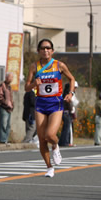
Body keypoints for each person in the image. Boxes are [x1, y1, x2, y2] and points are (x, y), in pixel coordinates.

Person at [24, 38, 75, 178]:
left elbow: (71, 79)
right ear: (38, 51)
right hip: (40, 104)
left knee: (50, 135)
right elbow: (26, 87)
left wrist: (70, 93)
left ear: (52, 51)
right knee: (42, 139)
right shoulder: (34, 67)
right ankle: (49, 167)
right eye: (42, 48)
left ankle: (55, 145)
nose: (45, 50)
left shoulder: (59, 65)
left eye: (48, 48)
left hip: (55, 104)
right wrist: (34, 84)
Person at [0, 72, 14, 144]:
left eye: (12, 77)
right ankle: (2, 140)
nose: (11, 79)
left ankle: (6, 139)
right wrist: (7, 103)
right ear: (6, 77)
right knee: (3, 124)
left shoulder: (9, 87)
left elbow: (11, 98)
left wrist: (12, 104)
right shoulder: (2, 86)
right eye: (10, 77)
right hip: (3, 107)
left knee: (8, 125)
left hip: (9, 108)